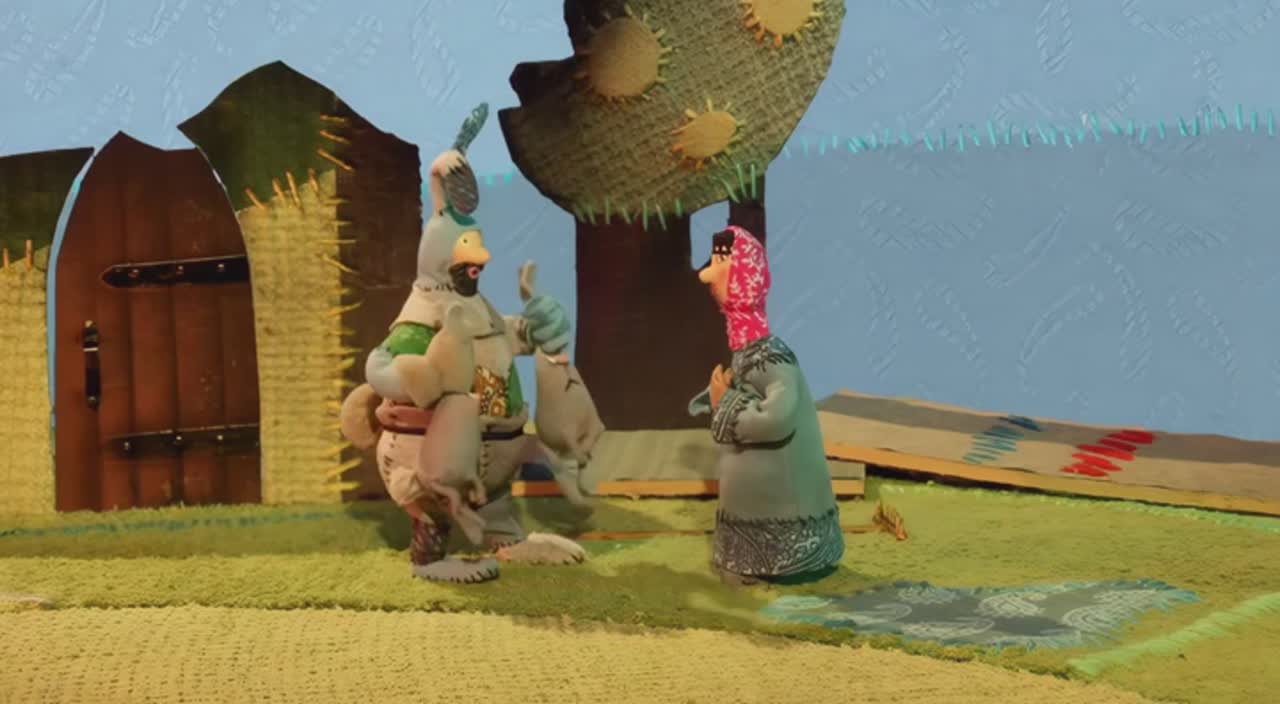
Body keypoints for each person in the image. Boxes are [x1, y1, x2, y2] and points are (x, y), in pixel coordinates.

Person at [345, 146, 589, 584]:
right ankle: (428, 558)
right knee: (434, 507)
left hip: (494, 454)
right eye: (468, 249)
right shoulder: (423, 319)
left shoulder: (476, 308)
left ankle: (508, 540)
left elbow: (500, 339)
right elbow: (382, 364)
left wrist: (536, 327)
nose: (481, 258)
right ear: (441, 257)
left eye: (478, 248)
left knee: (494, 506)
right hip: (431, 460)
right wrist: (409, 378)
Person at [690, 226, 844, 585]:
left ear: (741, 277)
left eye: (720, 264)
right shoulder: (750, 354)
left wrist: (725, 402)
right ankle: (748, 557)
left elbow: (777, 418)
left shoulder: (771, 360)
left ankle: (780, 557)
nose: (706, 275)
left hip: (782, 507)